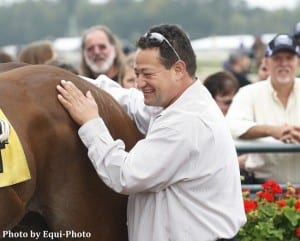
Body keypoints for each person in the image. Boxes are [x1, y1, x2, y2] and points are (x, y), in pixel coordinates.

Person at [57, 23, 246, 241]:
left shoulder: (186, 121)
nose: (138, 83)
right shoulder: (181, 101)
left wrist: (91, 122)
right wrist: (70, 81)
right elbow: (131, 101)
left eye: (147, 74)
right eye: (136, 74)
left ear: (178, 69)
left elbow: (124, 175)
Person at [226, 34, 300, 184]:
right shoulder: (248, 92)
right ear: (266, 62)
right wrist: (272, 131)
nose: (283, 63)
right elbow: (231, 126)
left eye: (289, 58)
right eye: (277, 58)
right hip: (262, 192)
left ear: (298, 62)